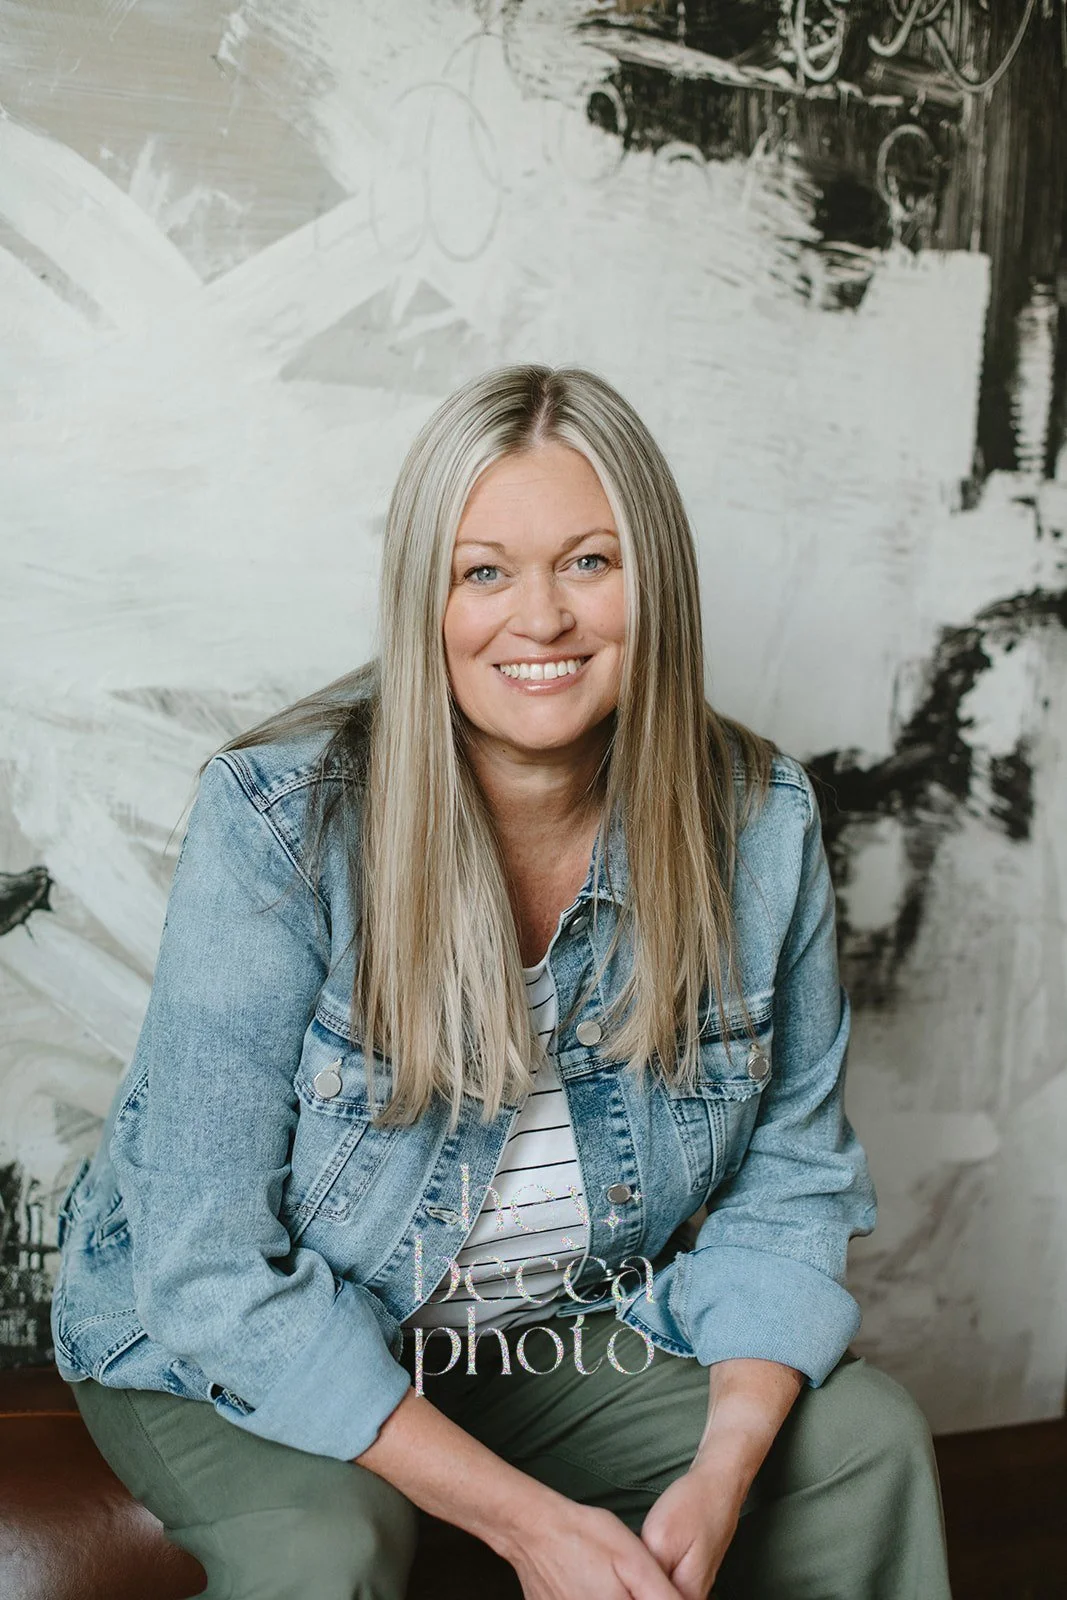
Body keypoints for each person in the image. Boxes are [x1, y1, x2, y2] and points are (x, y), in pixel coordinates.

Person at [51, 364, 953, 1600]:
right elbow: (206, 1262)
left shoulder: (758, 823)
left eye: (589, 562)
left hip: (527, 1331)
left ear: (655, 585)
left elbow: (789, 1180)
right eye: (484, 571)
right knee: (329, 1544)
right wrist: (532, 1526)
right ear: (426, 598)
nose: (540, 620)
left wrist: (724, 1464)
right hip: (228, 1332)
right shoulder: (276, 822)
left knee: (862, 1444)